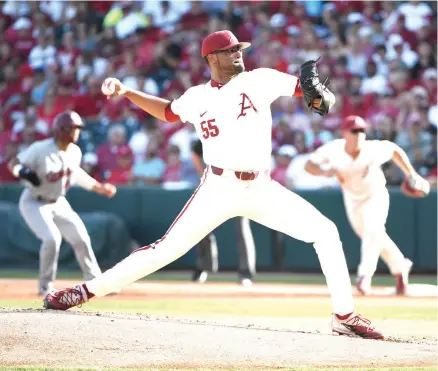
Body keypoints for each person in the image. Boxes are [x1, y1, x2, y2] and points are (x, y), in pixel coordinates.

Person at [43, 30, 383, 340]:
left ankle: (345, 316)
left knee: (325, 232)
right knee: (163, 251)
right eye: (229, 50)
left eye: (239, 49)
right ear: (211, 59)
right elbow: (168, 112)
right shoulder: (196, 97)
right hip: (217, 187)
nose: (238, 54)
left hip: (260, 187)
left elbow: (318, 95)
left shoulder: (260, 79)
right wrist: (129, 92)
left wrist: (322, 95)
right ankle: (84, 292)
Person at [304, 115, 430, 295]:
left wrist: (411, 174)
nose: (359, 134)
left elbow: (394, 150)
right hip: (352, 199)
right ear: (345, 133)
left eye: (362, 130)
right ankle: (400, 266)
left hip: (375, 195)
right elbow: (308, 165)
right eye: (354, 131)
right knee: (375, 237)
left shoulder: (371, 149)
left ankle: (364, 276)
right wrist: (324, 172)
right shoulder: (333, 149)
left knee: (373, 230)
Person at [7, 111, 117, 295]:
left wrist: (98, 187)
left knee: (81, 237)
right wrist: (21, 172)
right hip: (34, 201)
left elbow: (78, 175)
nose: (76, 132)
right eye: (72, 128)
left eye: (77, 128)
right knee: (52, 239)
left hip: (58, 202)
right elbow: (14, 162)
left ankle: (95, 282)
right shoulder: (40, 148)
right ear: (60, 130)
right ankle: (45, 287)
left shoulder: (75, 151)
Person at [191, 139, 256, 286]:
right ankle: (204, 268)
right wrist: (205, 176)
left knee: (242, 228)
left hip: (238, 187)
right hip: (214, 187)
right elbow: (195, 151)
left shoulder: (241, 135)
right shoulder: (212, 132)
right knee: (201, 227)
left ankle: (246, 273)